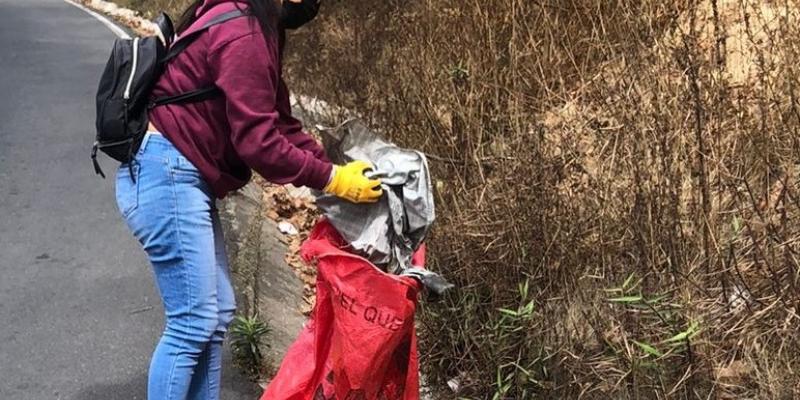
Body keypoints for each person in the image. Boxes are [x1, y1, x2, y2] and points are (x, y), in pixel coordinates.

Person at [113, 0, 382, 399]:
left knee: (215, 315)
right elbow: (259, 143)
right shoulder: (244, 29)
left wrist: (334, 174)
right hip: (165, 173)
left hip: (180, 175)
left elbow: (281, 124)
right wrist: (332, 178)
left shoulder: (257, 24)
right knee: (193, 321)